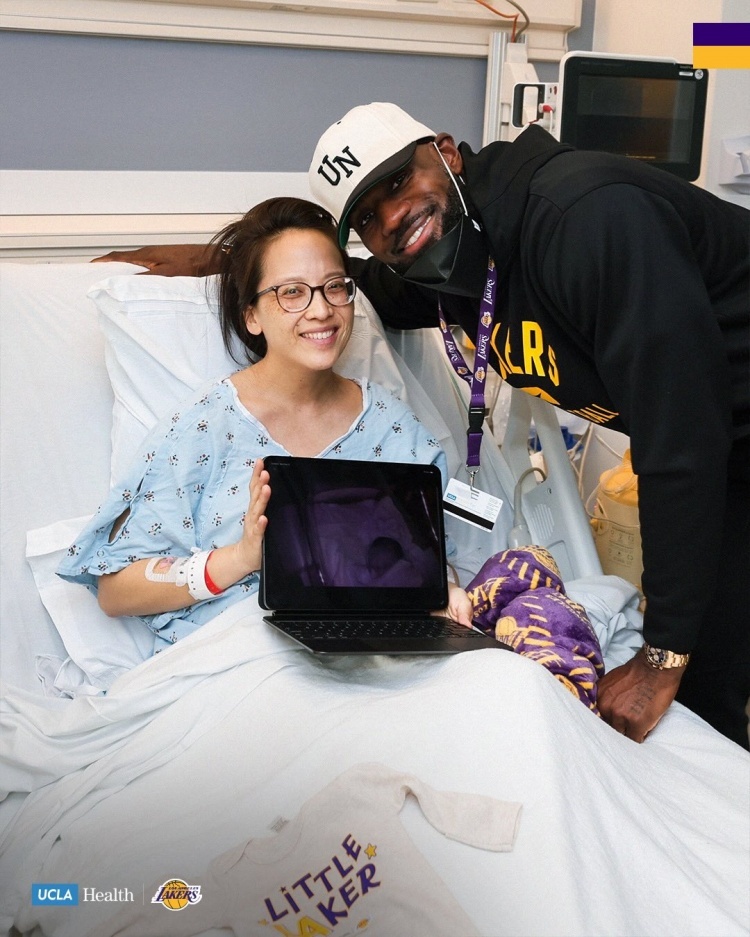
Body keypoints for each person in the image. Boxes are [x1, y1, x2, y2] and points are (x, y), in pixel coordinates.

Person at [93, 103, 749, 749]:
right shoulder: (447, 261)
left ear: (447, 153)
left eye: (399, 181)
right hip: (253, 670)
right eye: (367, 216)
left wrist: (660, 655)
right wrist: (220, 261)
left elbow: (679, 440)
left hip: (711, 434)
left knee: (690, 680)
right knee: (708, 690)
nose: (392, 218)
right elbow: (353, 283)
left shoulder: (586, 218)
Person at [59, 196, 451, 652]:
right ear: (251, 315)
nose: (321, 310)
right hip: (246, 657)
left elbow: (437, 562)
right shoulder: (207, 426)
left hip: (378, 654)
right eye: (292, 292)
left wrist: (447, 596)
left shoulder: (391, 426)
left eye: (334, 287)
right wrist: (240, 558)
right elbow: (116, 590)